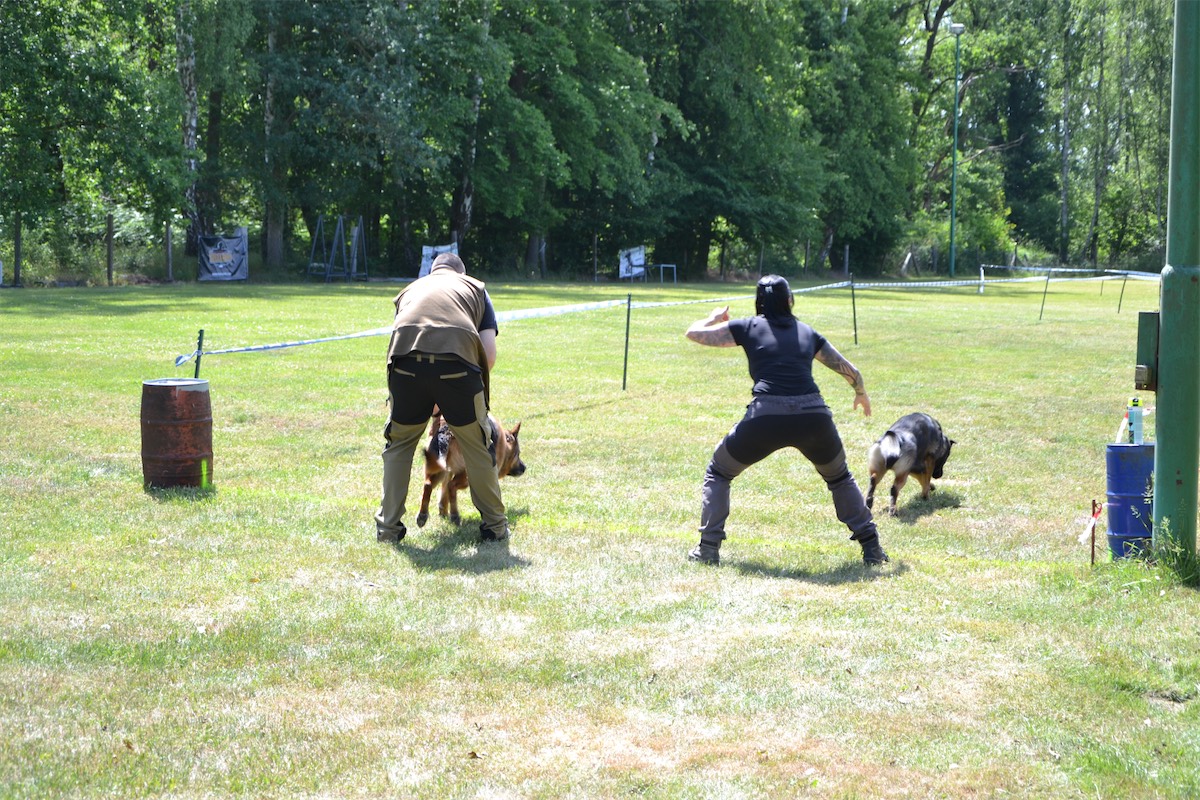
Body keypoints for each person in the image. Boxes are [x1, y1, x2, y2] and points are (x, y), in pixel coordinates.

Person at [684, 274, 887, 566]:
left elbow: (693, 332)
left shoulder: (748, 326)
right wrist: (860, 393)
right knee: (839, 477)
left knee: (719, 472)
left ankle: (708, 549)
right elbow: (850, 370)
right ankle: (872, 548)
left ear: (758, 302)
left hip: (765, 416)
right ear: (789, 301)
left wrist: (713, 318)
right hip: (814, 417)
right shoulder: (807, 332)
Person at [375, 252, 510, 544]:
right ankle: (495, 527)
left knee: (398, 444)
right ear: (461, 273)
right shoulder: (475, 289)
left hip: (404, 367)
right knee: (477, 445)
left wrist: (429, 391)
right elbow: (488, 354)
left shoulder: (410, 290)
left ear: (432, 271)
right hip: (457, 370)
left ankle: (388, 529)